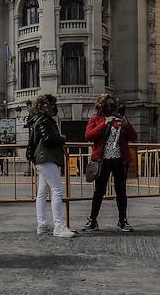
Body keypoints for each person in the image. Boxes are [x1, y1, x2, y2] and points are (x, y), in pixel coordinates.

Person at [83, 93, 138, 232]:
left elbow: (133, 137)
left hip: (119, 160)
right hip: (102, 161)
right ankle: (92, 220)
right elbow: (89, 136)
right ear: (100, 106)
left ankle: (123, 221)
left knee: (121, 192)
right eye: (107, 105)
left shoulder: (120, 119)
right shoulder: (96, 119)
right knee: (99, 192)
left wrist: (126, 125)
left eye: (112, 105)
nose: (110, 107)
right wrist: (104, 123)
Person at [26, 94, 74, 238]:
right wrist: (61, 139)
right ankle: (58, 226)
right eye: (51, 104)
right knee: (57, 191)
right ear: (43, 106)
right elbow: (48, 140)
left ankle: (42, 224)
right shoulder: (44, 120)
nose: (54, 107)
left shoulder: (38, 119)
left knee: (42, 192)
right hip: (47, 157)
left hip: (42, 159)